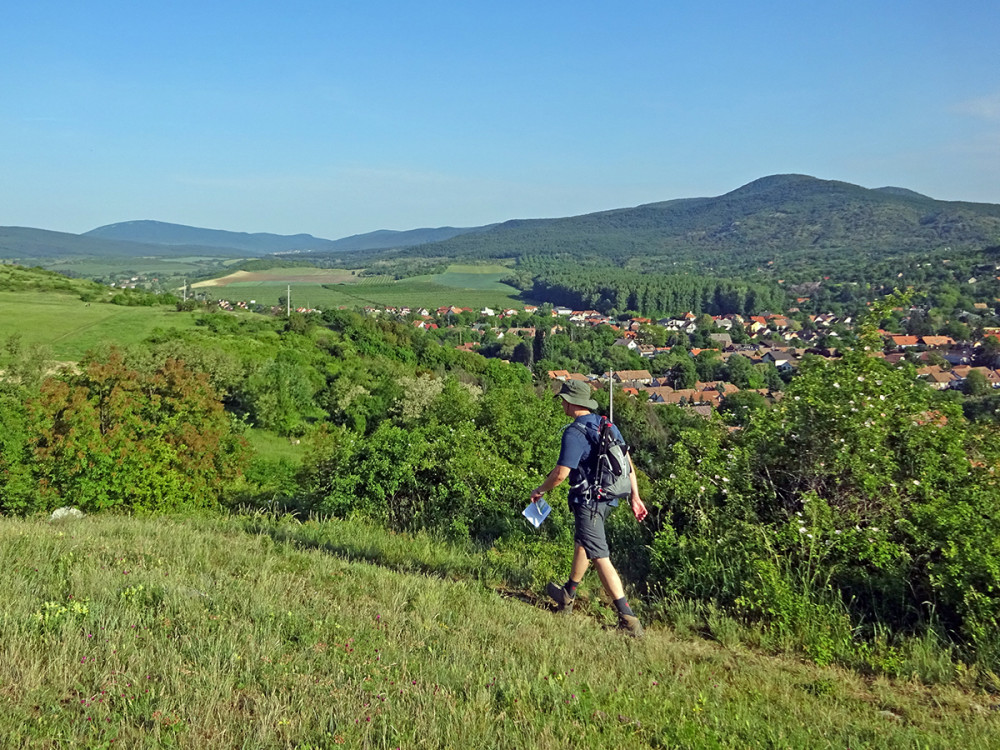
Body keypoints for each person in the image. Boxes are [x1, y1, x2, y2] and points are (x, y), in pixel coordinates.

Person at [530, 379, 648, 637]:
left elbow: (561, 473)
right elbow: (627, 462)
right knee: (584, 543)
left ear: (571, 403)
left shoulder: (574, 432)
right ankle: (567, 596)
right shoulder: (606, 424)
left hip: (589, 502)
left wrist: (539, 490)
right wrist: (635, 497)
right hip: (609, 498)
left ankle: (628, 620)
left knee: (599, 555)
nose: (561, 403)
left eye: (563, 399)